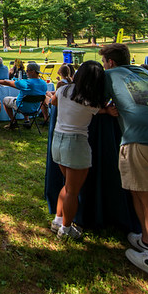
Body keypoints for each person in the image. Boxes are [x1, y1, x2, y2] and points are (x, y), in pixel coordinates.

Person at [99, 43, 148, 284]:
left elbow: (92, 101)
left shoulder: (109, 75)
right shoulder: (144, 73)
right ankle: (145, 239)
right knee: (139, 193)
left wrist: (105, 109)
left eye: (104, 62)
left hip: (139, 143)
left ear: (110, 62)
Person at [49, 61, 116, 240]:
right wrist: (108, 110)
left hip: (58, 140)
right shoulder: (91, 102)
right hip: (76, 144)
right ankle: (66, 228)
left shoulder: (63, 90)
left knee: (67, 185)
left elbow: (53, 101)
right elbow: (100, 110)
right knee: (73, 190)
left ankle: (58, 220)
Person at [0, 62, 48, 130]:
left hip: (22, 106)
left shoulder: (26, 83)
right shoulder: (44, 83)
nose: (26, 72)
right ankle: (27, 120)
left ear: (33, 72)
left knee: (5, 100)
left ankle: (13, 121)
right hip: (35, 108)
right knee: (24, 98)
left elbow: (7, 83)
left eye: (27, 70)